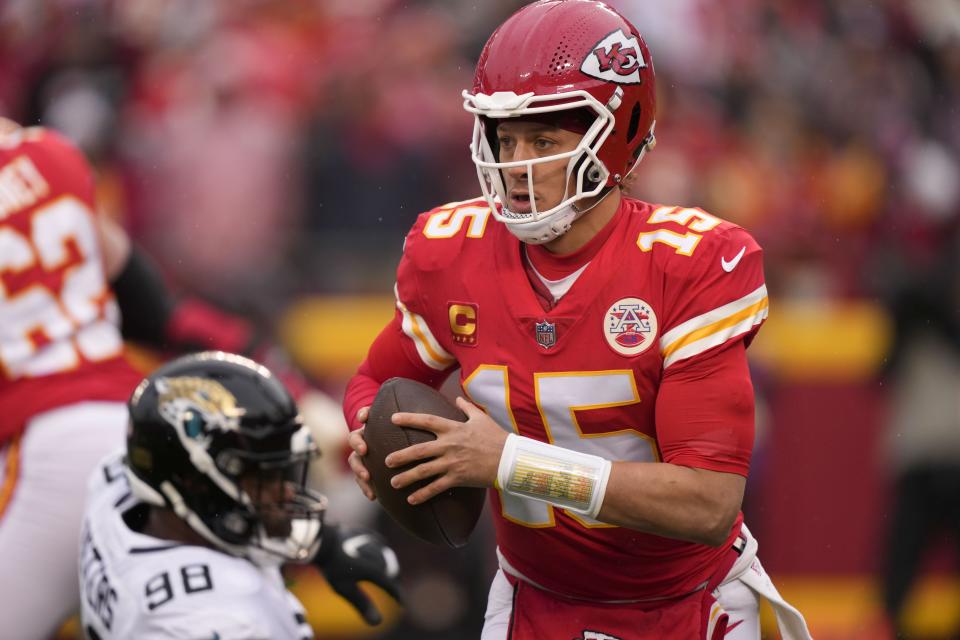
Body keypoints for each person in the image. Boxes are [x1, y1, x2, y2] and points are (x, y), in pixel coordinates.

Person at [342, 2, 812, 639]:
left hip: (687, 605)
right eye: (505, 138)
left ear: (617, 135)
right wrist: (371, 438)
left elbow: (708, 502)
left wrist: (510, 462)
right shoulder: (451, 251)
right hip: (533, 602)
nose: (515, 165)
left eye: (543, 140)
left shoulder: (690, 264)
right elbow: (375, 380)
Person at [0, 116, 344, 638]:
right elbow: (152, 308)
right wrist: (276, 370)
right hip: (127, 441)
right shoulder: (51, 155)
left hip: (38, 453)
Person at [79, 350, 402, 639]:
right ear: (194, 481)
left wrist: (325, 545)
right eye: (265, 477)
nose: (286, 490)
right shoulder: (218, 622)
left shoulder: (115, 485)